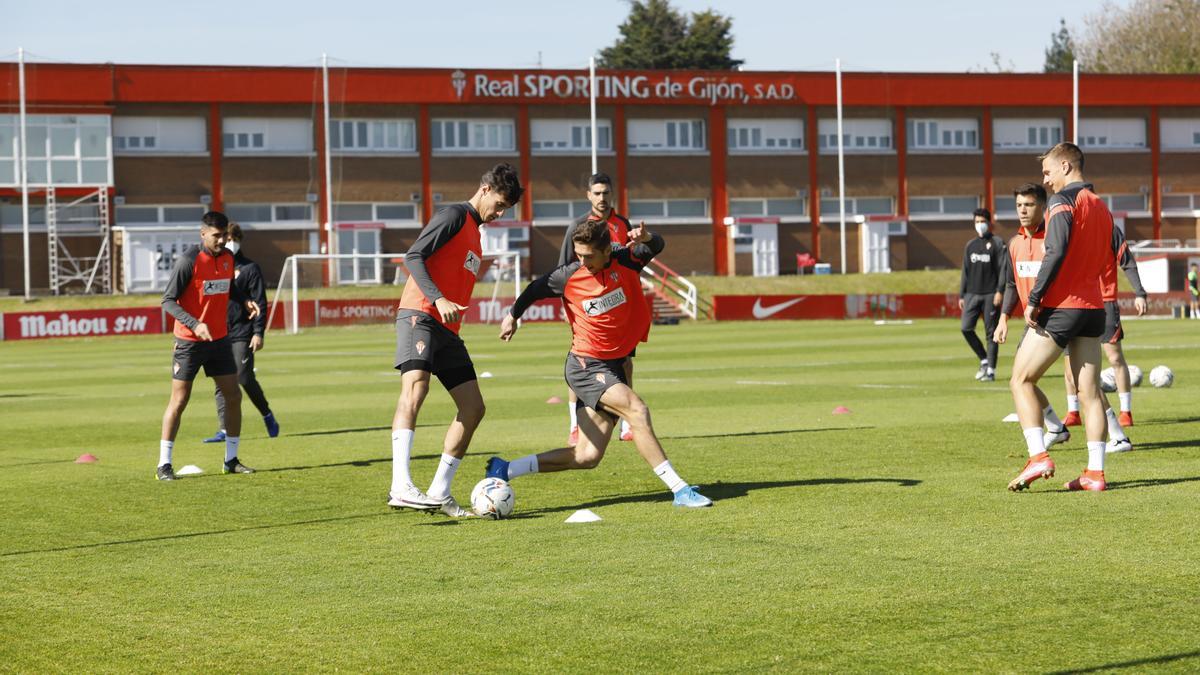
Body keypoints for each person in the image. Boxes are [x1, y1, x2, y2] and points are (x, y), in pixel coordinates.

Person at [488, 218, 712, 508]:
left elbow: (657, 246)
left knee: (586, 457)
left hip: (613, 365)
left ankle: (505, 468)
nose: (582, 261)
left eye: (589, 255)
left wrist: (647, 237)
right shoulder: (568, 275)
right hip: (586, 366)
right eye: (578, 254)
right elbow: (534, 289)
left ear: (607, 250)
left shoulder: (627, 260)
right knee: (637, 410)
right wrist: (513, 316)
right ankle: (679, 490)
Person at [387, 163, 524, 517]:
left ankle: (439, 492)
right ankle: (400, 485)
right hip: (420, 314)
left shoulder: (476, 235)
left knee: (474, 407)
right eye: (499, 204)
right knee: (415, 389)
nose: (500, 213)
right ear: (484, 189)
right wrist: (438, 298)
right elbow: (413, 256)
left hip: (448, 330)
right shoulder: (453, 215)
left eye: (506, 209)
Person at [1004, 142, 1117, 492]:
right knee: (1090, 391)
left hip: (1063, 307)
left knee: (1021, 379)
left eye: (1048, 171)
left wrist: (1035, 299)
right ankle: (1094, 473)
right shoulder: (1102, 206)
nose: (1045, 179)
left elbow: (1054, 251)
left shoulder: (1063, 201)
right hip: (1093, 308)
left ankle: (1038, 456)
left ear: (1066, 166)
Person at [157, 211, 260, 481]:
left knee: (233, 396)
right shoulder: (188, 261)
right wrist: (195, 324)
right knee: (179, 400)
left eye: (224, 235)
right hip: (189, 343)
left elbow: (228, 287)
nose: (222, 240)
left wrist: (244, 299)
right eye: (217, 235)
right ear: (203, 234)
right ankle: (163, 465)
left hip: (219, 340)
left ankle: (231, 459)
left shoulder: (227, 258)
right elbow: (168, 301)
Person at [558, 172, 635, 446]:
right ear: (588, 195)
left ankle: (628, 423)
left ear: (612, 193)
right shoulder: (578, 225)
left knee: (625, 361)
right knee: (579, 359)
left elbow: (631, 262)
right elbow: (562, 270)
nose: (602, 198)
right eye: (597, 193)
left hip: (618, 307)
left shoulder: (622, 224)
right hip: (585, 309)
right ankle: (574, 425)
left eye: (606, 192)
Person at [993, 184, 1071, 451]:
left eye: (1029, 204)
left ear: (1042, 207)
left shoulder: (1054, 239)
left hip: (1060, 317)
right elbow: (1012, 284)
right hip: (1034, 323)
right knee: (1022, 378)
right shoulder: (1014, 244)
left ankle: (1114, 435)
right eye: (1019, 205)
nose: (1023, 210)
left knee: (1084, 385)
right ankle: (1056, 427)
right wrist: (1003, 318)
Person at [1058, 223, 1148, 439]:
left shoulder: (1108, 229)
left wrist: (1139, 292)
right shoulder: (1067, 227)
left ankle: (1126, 411)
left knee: (1115, 357)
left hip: (1105, 302)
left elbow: (1126, 260)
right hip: (1075, 303)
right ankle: (1073, 411)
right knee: (1070, 362)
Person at [202, 222, 280, 444]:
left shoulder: (250, 268)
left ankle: (267, 414)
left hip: (243, 332)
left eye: (233, 239)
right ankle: (224, 429)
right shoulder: (218, 266)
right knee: (221, 380)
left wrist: (258, 332)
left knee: (244, 377)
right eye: (226, 239)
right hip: (219, 332)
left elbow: (260, 303)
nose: (229, 243)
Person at [958, 208, 1006, 381]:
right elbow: (965, 271)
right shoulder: (970, 245)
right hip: (972, 294)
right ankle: (984, 359)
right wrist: (962, 295)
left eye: (982, 221)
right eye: (977, 222)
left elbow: (1003, 270)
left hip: (990, 294)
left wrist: (1000, 291)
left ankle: (991, 370)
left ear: (989, 222)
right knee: (966, 328)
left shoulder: (997, 243)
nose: (980, 225)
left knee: (991, 332)